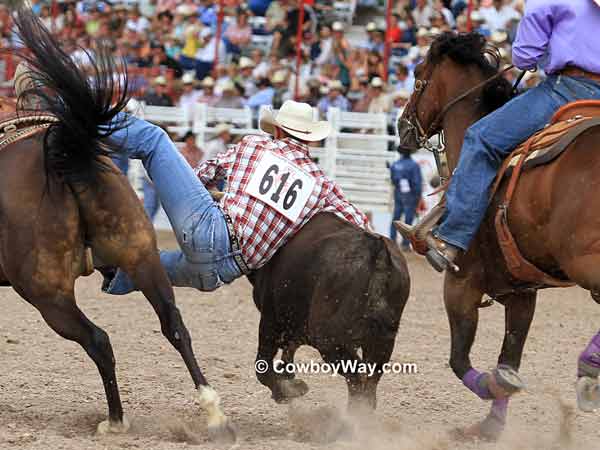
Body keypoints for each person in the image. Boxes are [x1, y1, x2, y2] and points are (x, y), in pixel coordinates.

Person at [407, 0, 600, 273]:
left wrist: (533, 56)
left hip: (569, 90)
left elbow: (524, 56)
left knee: (481, 138)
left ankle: (451, 238)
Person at [101, 100, 369, 293]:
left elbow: (204, 175)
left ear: (277, 131)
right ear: (309, 140)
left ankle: (81, 120)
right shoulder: (322, 186)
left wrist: (191, 188)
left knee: (154, 139)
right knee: (148, 266)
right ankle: (111, 271)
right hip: (221, 273)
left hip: (209, 233)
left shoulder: (256, 144)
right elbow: (360, 226)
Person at [390, 147, 422, 251]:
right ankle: (405, 244)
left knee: (396, 217)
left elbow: (393, 181)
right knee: (408, 220)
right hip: (410, 194)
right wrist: (418, 197)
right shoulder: (414, 165)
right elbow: (417, 183)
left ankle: (392, 241)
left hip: (398, 192)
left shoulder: (395, 164)